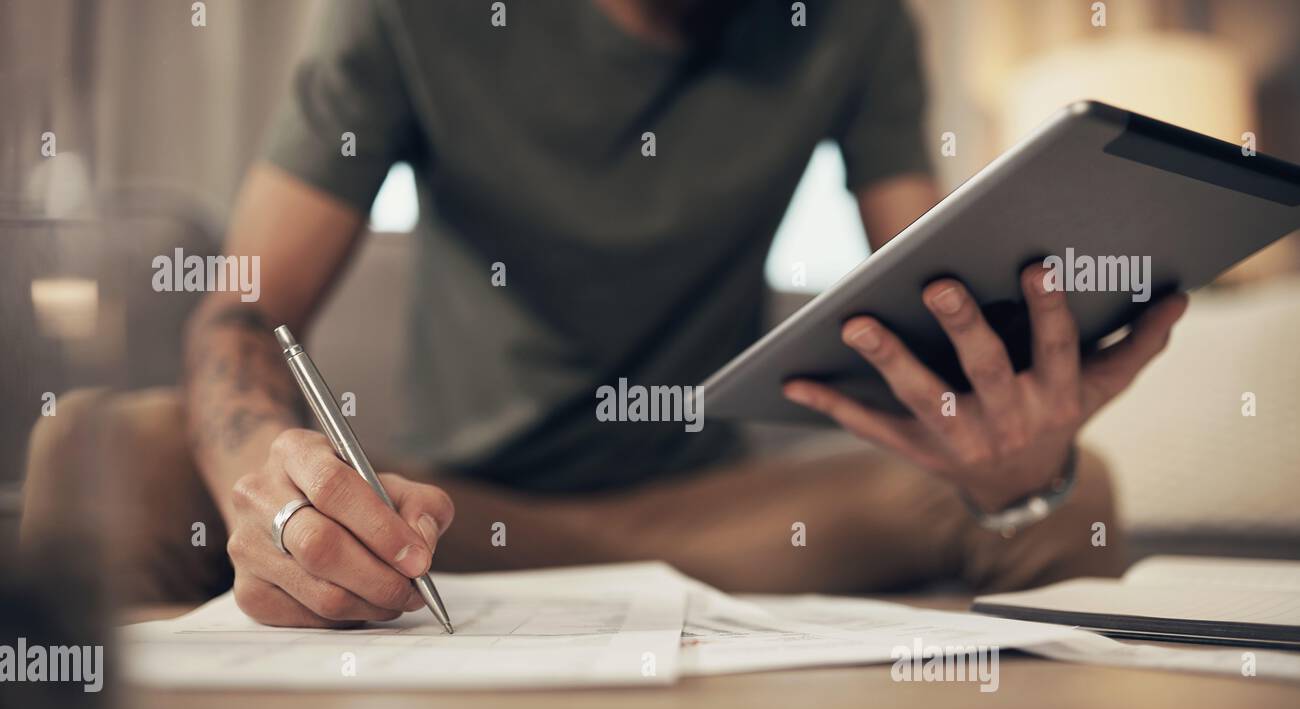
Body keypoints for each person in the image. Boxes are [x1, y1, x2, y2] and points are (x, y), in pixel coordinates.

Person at [22, 0, 1186, 626]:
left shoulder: (850, 21)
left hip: (719, 514)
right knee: (101, 446)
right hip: (441, 511)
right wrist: (265, 490)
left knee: (1069, 492)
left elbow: (932, 296)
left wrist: (1004, 452)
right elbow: (242, 311)